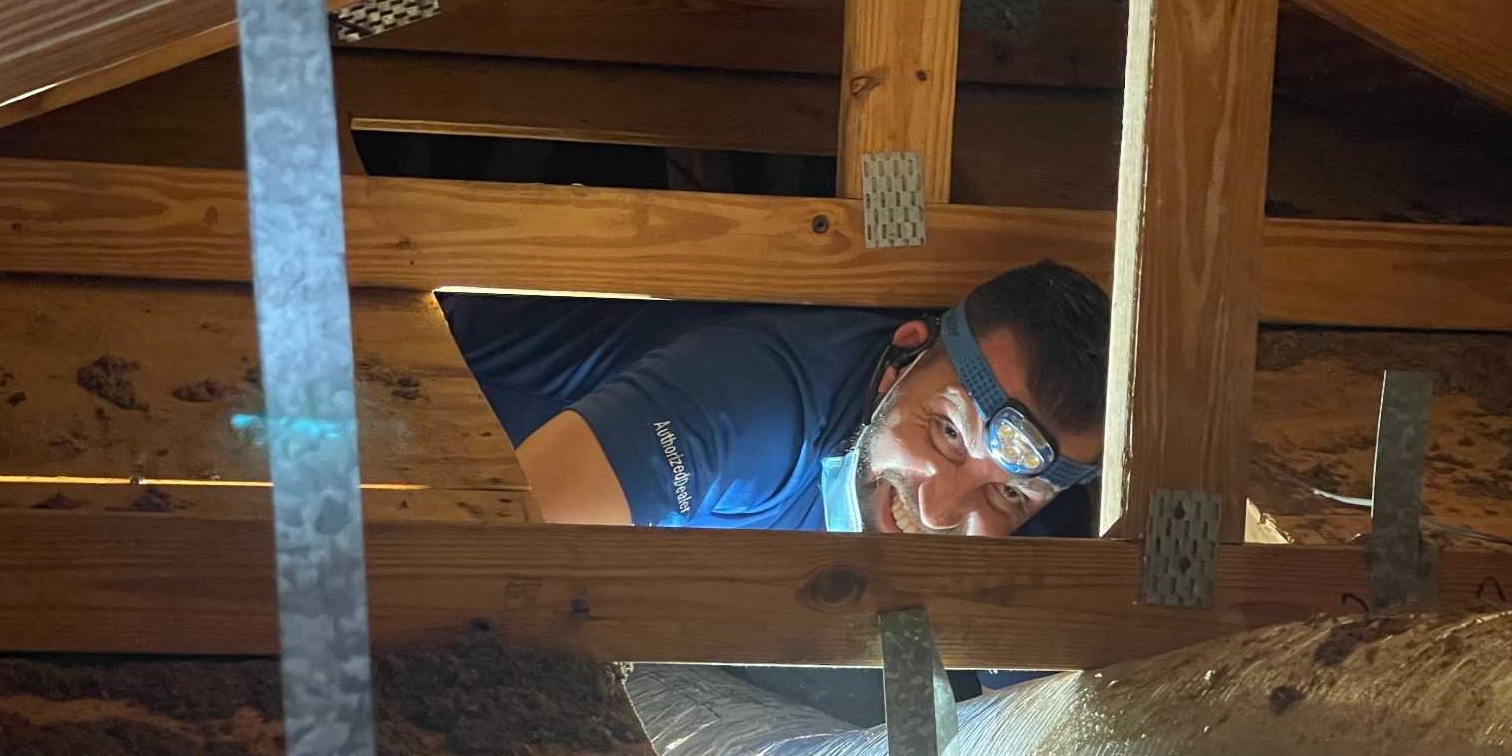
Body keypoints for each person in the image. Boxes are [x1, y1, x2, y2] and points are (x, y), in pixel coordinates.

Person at [437, 259, 1110, 541]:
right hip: (424, 398)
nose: (938, 514)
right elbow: (502, 563)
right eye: (948, 433)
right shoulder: (759, 405)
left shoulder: (1017, 513)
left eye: (1009, 493)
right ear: (902, 357)